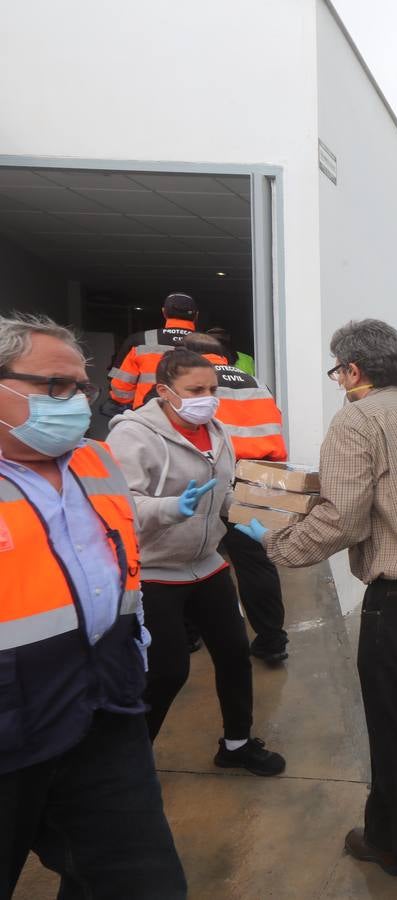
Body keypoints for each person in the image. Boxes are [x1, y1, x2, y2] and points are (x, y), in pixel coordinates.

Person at [234, 319, 397, 899]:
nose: (337, 380)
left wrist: (273, 543)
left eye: (336, 370)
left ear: (352, 371)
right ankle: (384, 836)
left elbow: (341, 518)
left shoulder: (357, 420)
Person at [0, 314, 187, 897]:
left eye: (82, 387)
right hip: (10, 726)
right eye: (55, 386)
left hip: (104, 710)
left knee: (141, 884)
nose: (76, 402)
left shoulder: (94, 459)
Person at [106, 349, 285, 777]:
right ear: (165, 391)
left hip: (205, 563)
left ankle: (237, 744)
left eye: (211, 389)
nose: (207, 398)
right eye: (195, 390)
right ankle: (130, 764)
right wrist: (170, 508)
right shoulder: (132, 436)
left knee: (235, 655)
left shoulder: (217, 431)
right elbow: (121, 503)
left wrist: (253, 520)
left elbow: (221, 494)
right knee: (168, 671)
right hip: (154, 568)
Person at [183, 333, 289, 663]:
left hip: (206, 479)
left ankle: (190, 635)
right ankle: (272, 641)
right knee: (255, 562)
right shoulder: (255, 382)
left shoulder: (192, 383)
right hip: (256, 478)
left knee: (195, 558)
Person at [106, 292, 199, 411]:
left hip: (146, 415)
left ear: (164, 312)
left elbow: (120, 391)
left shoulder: (140, 341)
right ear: (196, 315)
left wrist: (140, 400)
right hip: (194, 420)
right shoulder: (213, 346)